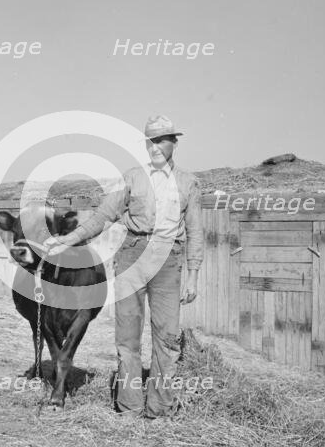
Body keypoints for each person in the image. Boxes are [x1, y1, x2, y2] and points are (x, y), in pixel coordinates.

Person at [42, 115, 204, 418]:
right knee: (127, 337)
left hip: (169, 261)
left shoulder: (189, 183)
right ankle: (128, 408)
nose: (155, 146)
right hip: (132, 256)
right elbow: (103, 215)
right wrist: (68, 240)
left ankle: (159, 410)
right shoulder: (130, 178)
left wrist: (193, 275)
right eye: (151, 141)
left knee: (167, 338)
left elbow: (195, 231)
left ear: (174, 143)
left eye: (162, 140)